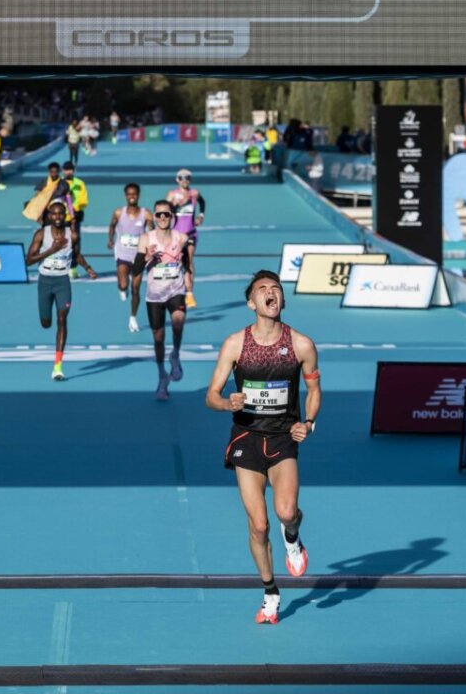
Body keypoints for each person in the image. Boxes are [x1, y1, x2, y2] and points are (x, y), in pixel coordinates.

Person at [205, 270, 321, 626]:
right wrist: (227, 404)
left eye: (276, 289)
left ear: (282, 301)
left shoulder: (301, 344)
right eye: (262, 290)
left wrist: (309, 422)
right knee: (257, 525)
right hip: (247, 438)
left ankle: (293, 537)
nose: (270, 294)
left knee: (286, 512)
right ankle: (270, 592)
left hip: (284, 437)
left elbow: (314, 390)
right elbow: (210, 396)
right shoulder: (235, 344)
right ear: (251, 302)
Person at [26, 200, 96, 381]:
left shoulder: (71, 235)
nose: (57, 217)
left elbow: (76, 254)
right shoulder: (41, 234)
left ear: (65, 215)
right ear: (49, 216)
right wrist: (52, 250)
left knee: (62, 319)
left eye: (60, 214)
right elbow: (29, 260)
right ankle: (46, 321)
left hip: (62, 282)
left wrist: (87, 268)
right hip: (45, 281)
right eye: (54, 214)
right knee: (46, 323)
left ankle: (58, 365)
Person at [136, 200, 190, 400]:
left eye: (166, 214)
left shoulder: (182, 238)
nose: (162, 218)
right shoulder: (145, 239)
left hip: (175, 289)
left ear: (172, 216)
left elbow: (188, 264)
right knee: (158, 338)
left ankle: (175, 354)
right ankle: (161, 376)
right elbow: (136, 270)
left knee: (178, 320)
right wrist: (146, 257)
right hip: (154, 295)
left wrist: (190, 287)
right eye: (158, 215)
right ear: (155, 217)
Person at [107, 183, 153, 332]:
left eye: (134, 194)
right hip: (122, 252)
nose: (132, 196)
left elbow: (151, 231)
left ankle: (133, 317)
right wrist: (110, 239)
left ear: (138, 195)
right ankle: (122, 287)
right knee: (124, 284)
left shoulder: (146, 214)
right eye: (129, 194)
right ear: (125, 195)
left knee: (136, 289)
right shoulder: (119, 213)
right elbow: (112, 226)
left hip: (139, 254)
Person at [166, 169, 205, 308]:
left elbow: (202, 202)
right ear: (177, 180)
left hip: (190, 232)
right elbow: (164, 211)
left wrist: (201, 216)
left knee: (189, 260)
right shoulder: (172, 194)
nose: (184, 180)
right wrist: (175, 205)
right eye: (181, 178)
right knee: (176, 262)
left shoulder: (194, 193)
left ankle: (189, 294)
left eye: (187, 177)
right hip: (176, 234)